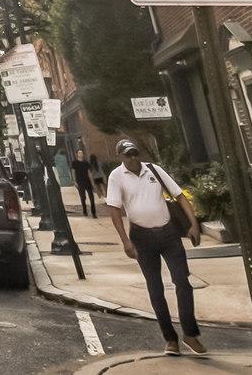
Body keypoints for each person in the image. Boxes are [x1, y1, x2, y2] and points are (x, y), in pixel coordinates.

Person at [104, 139, 205, 356]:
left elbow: (179, 195)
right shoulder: (116, 176)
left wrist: (194, 224)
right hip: (141, 236)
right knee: (155, 287)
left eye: (134, 154)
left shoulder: (154, 170)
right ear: (120, 157)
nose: (132, 158)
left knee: (182, 281)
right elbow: (114, 209)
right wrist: (125, 241)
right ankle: (170, 339)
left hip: (169, 233)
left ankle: (190, 333)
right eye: (127, 155)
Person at [71, 145, 98, 218]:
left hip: (87, 182)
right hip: (80, 182)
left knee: (91, 198)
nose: (81, 154)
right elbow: (73, 172)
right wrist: (74, 181)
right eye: (79, 153)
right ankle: (85, 211)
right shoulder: (74, 162)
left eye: (82, 153)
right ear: (77, 154)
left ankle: (94, 213)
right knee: (83, 198)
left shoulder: (86, 162)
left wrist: (92, 183)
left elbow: (89, 173)